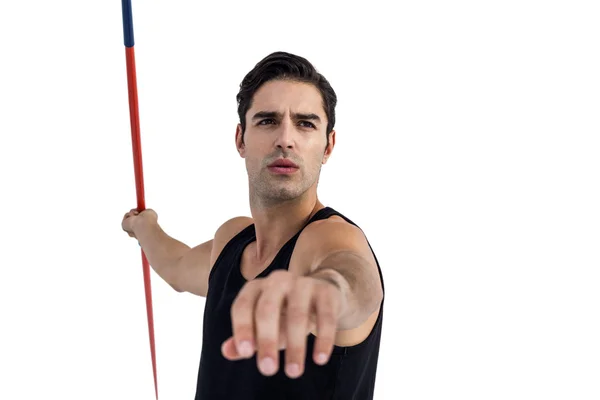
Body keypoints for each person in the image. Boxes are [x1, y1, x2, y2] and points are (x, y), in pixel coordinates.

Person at [121, 51, 385, 400]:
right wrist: (144, 226)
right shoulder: (232, 240)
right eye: (268, 121)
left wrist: (326, 291)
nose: (285, 139)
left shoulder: (328, 236)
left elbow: (357, 280)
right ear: (240, 140)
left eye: (305, 123)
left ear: (328, 146)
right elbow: (177, 265)